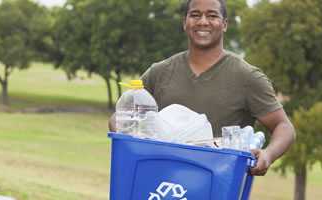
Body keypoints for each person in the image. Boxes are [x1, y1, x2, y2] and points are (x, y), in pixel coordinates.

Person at [109, 0, 295, 176]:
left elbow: (283, 126)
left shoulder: (247, 77)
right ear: (185, 22)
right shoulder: (160, 72)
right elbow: (121, 117)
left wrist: (268, 155)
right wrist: (124, 128)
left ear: (224, 24)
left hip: (216, 184)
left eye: (212, 15)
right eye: (195, 15)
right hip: (159, 180)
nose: (203, 21)